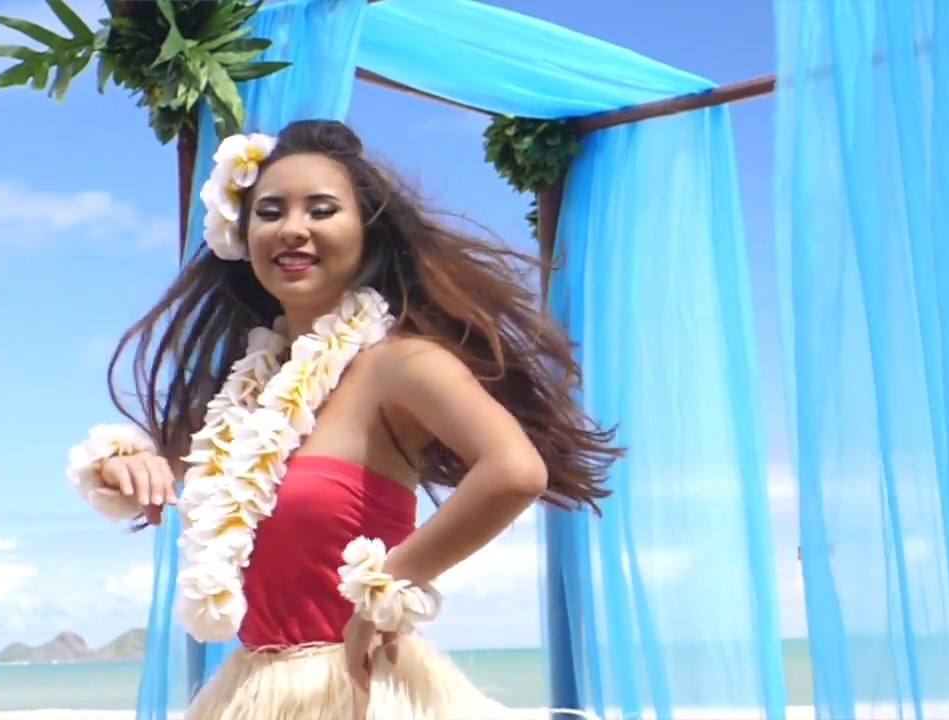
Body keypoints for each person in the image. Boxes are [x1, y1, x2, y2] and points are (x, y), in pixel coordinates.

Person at [65, 119, 622, 719]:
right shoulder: (245, 395)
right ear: (241, 234)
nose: (293, 229)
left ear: (368, 233)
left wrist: (388, 590)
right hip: (254, 689)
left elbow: (514, 471)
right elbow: (174, 468)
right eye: (270, 211)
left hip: (359, 687)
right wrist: (133, 461)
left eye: (322, 210)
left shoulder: (402, 365)